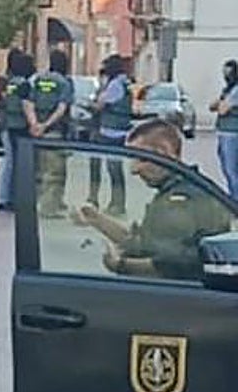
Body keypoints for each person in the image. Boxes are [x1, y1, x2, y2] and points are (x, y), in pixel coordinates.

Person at [75, 118, 231, 280]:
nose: (134, 169)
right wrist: (97, 220)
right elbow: (143, 243)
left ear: (164, 153)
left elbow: (175, 264)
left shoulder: (182, 201)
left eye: (141, 159)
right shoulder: (182, 190)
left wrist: (122, 265)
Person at [31, 50, 75, 218]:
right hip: (55, 132)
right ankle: (49, 208)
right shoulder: (64, 82)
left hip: (38, 132)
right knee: (56, 172)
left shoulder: (39, 80)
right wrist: (47, 125)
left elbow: (29, 102)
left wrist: (36, 124)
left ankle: (43, 202)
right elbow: (62, 108)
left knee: (41, 170)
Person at [88, 54, 131, 216]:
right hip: (120, 129)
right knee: (115, 168)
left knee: (103, 166)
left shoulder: (114, 85)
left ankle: (108, 202)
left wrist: (92, 101)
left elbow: (99, 105)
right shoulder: (124, 82)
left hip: (109, 130)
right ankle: (117, 203)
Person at [0, 50, 37, 213]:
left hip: (8, 126)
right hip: (19, 127)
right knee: (18, 164)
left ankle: (4, 197)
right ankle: (12, 198)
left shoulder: (11, 83)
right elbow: (26, 105)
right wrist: (34, 124)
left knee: (9, 164)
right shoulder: (24, 85)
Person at [208, 59, 238, 198]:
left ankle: (235, 200)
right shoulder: (228, 90)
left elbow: (222, 109)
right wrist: (221, 103)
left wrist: (221, 104)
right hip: (224, 132)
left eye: (228, 73)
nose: (226, 76)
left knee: (231, 170)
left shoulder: (236, 90)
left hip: (232, 133)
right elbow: (212, 106)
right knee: (227, 169)